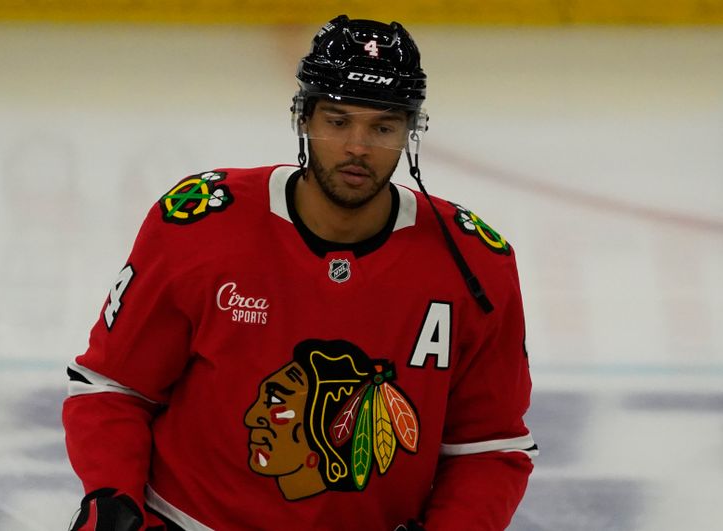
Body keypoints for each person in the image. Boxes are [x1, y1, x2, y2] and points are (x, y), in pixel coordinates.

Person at [63, 14, 538, 531]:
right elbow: (113, 387)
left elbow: (491, 448)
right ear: (304, 119)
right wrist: (111, 496)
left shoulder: (476, 263)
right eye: (337, 121)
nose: (358, 146)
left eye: (382, 126)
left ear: (409, 132)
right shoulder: (198, 222)